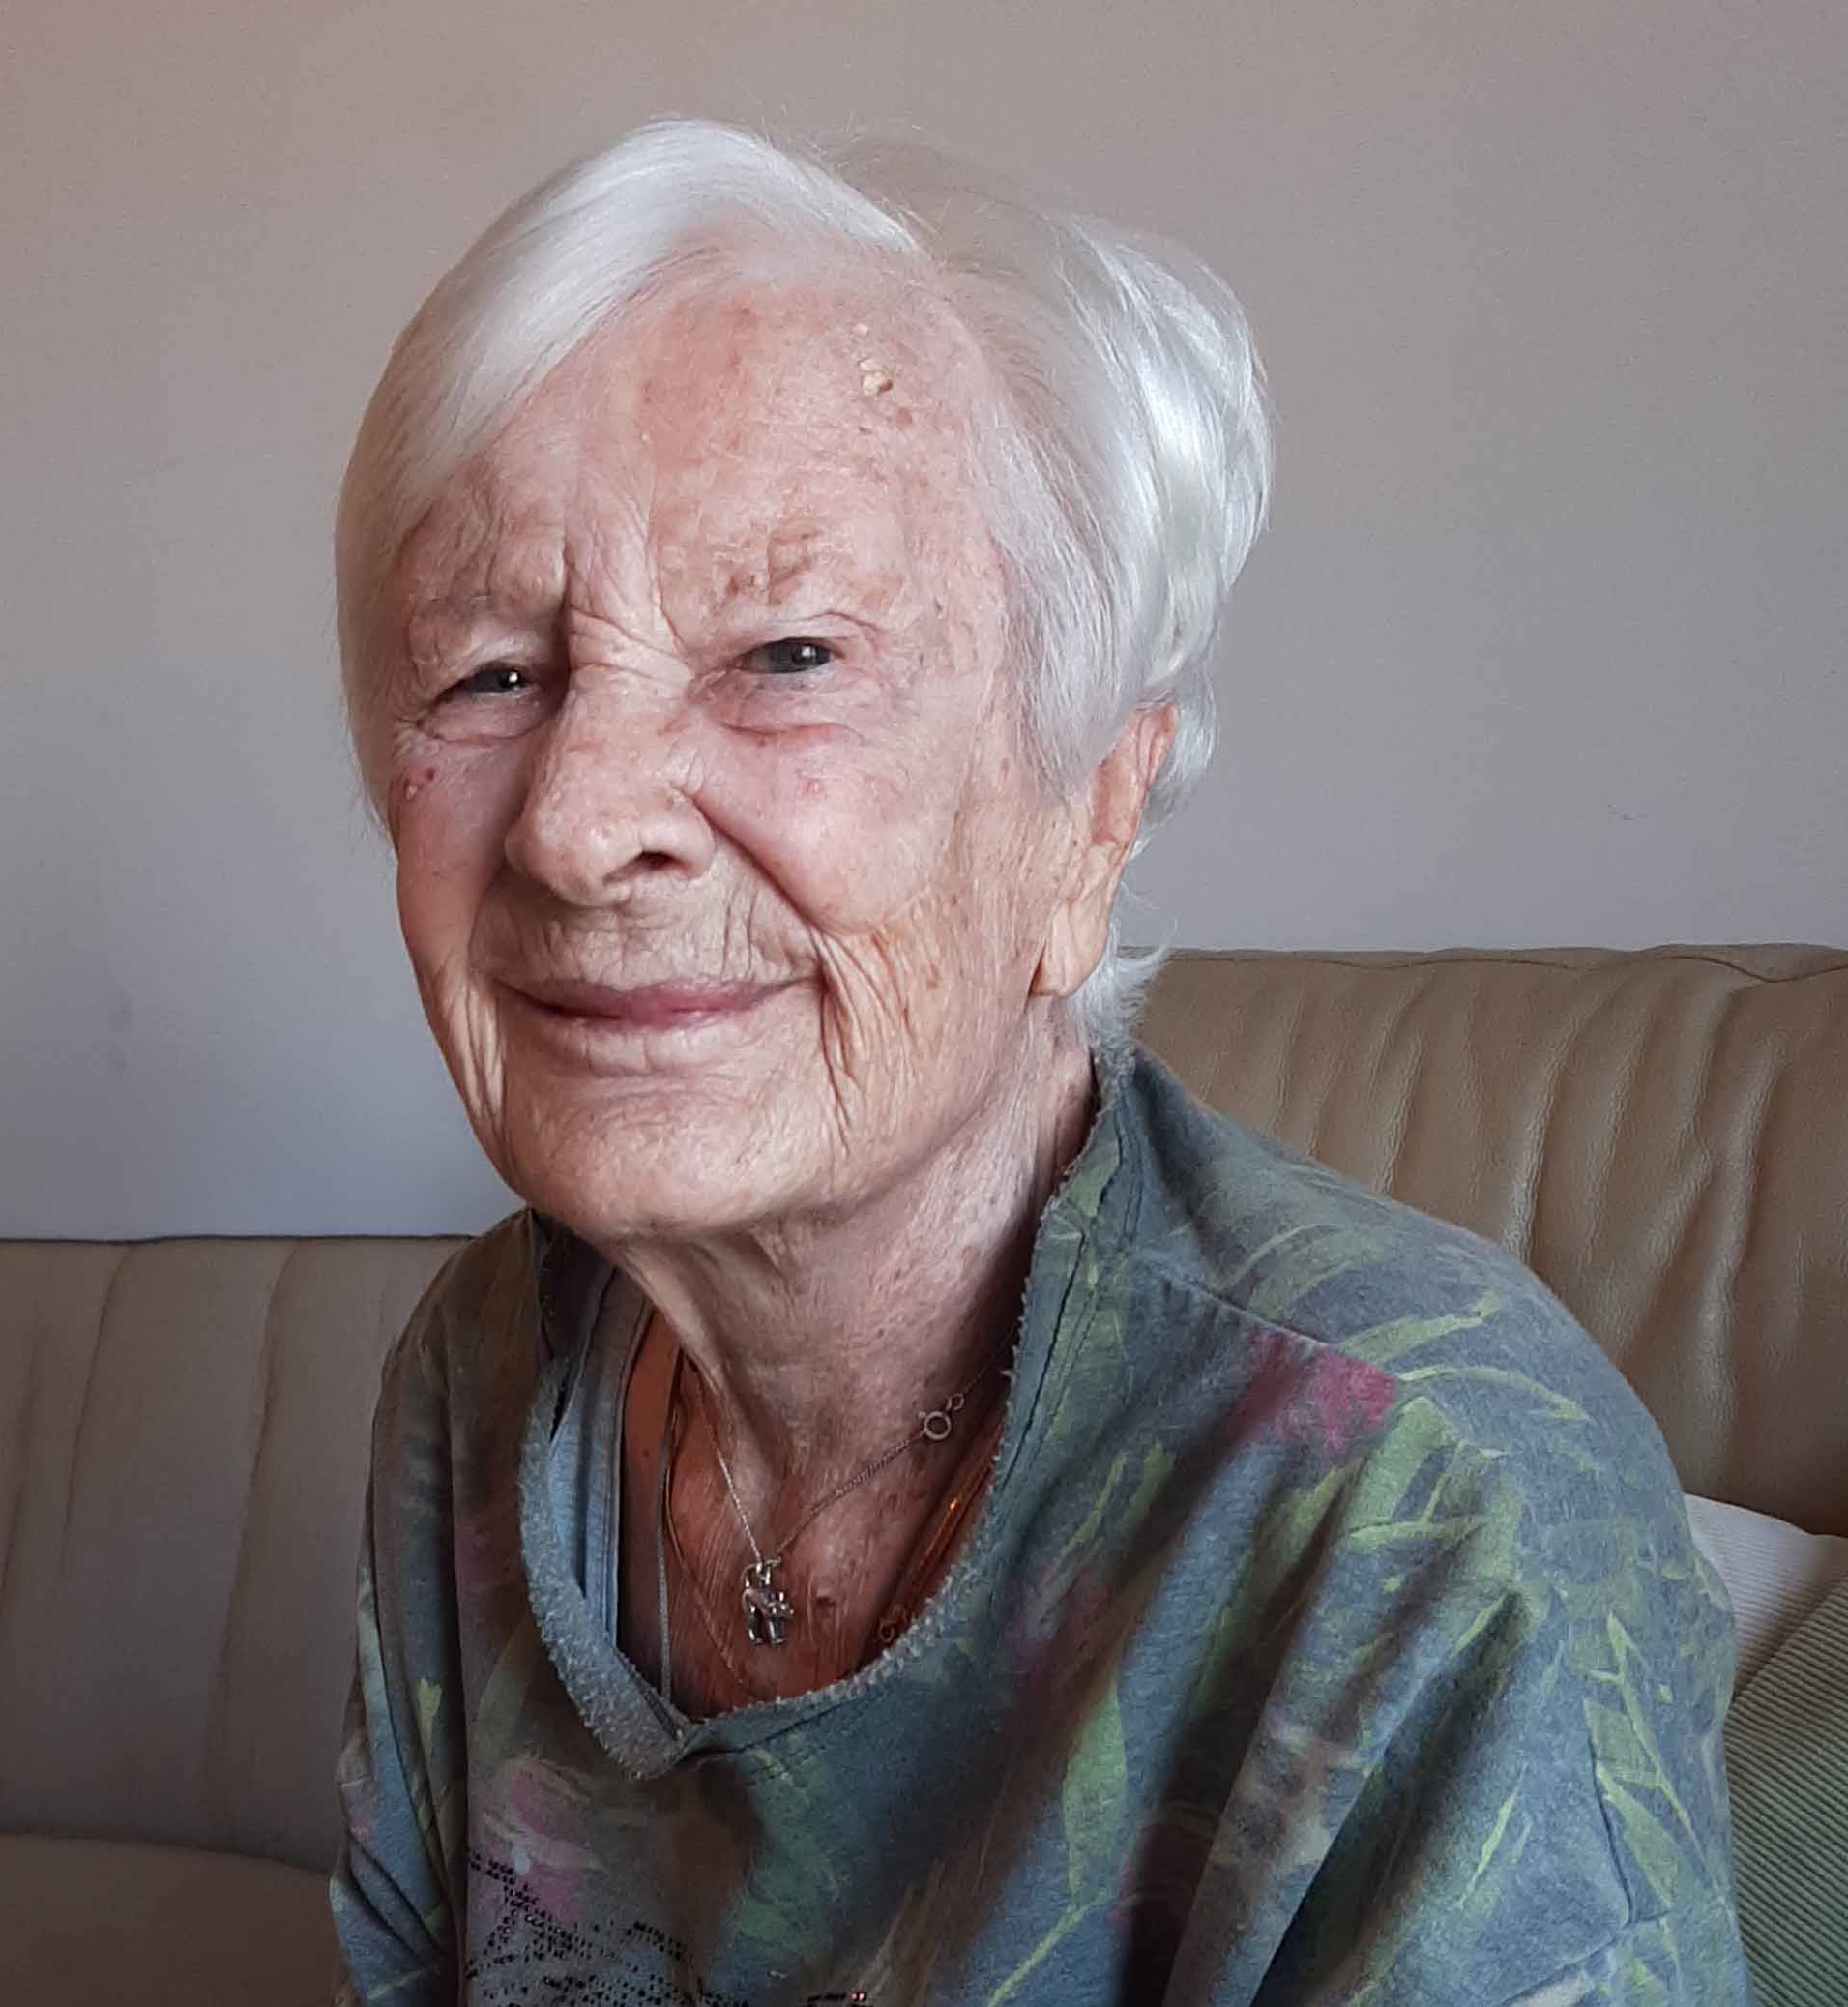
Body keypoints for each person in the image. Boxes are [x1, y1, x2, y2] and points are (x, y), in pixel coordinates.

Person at [326, 118, 1746, 2003]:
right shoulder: (483, 1382)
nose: (579, 824)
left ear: (1089, 816)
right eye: (492, 673)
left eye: (787, 654)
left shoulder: (1427, 1513)